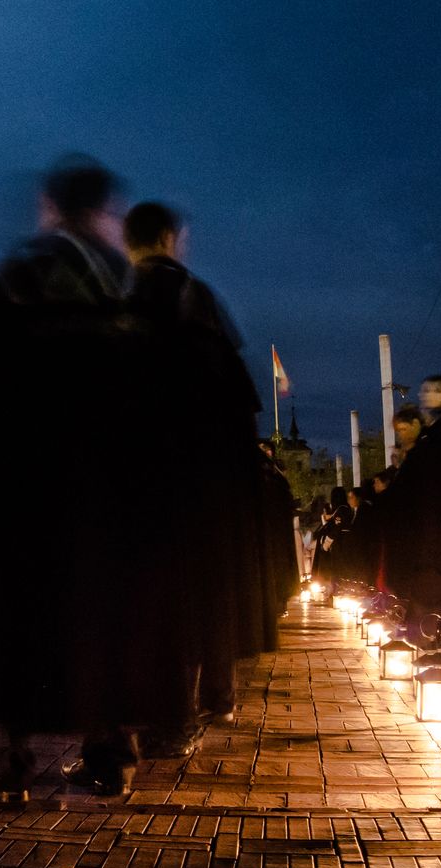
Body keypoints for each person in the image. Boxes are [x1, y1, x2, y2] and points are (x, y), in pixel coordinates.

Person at [0, 157, 135, 802]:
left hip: (22, 490)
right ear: (102, 210)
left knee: (15, 628)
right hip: (104, 495)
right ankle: (107, 754)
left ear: (51, 207)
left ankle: (7, 768)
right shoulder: (124, 286)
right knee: (100, 623)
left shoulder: (18, 278)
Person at [124, 200, 274, 733]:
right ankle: (209, 700)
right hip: (203, 481)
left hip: (140, 478)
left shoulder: (120, 298)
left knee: (150, 597)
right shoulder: (195, 297)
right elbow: (233, 395)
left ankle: (165, 712)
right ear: (169, 237)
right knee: (205, 590)